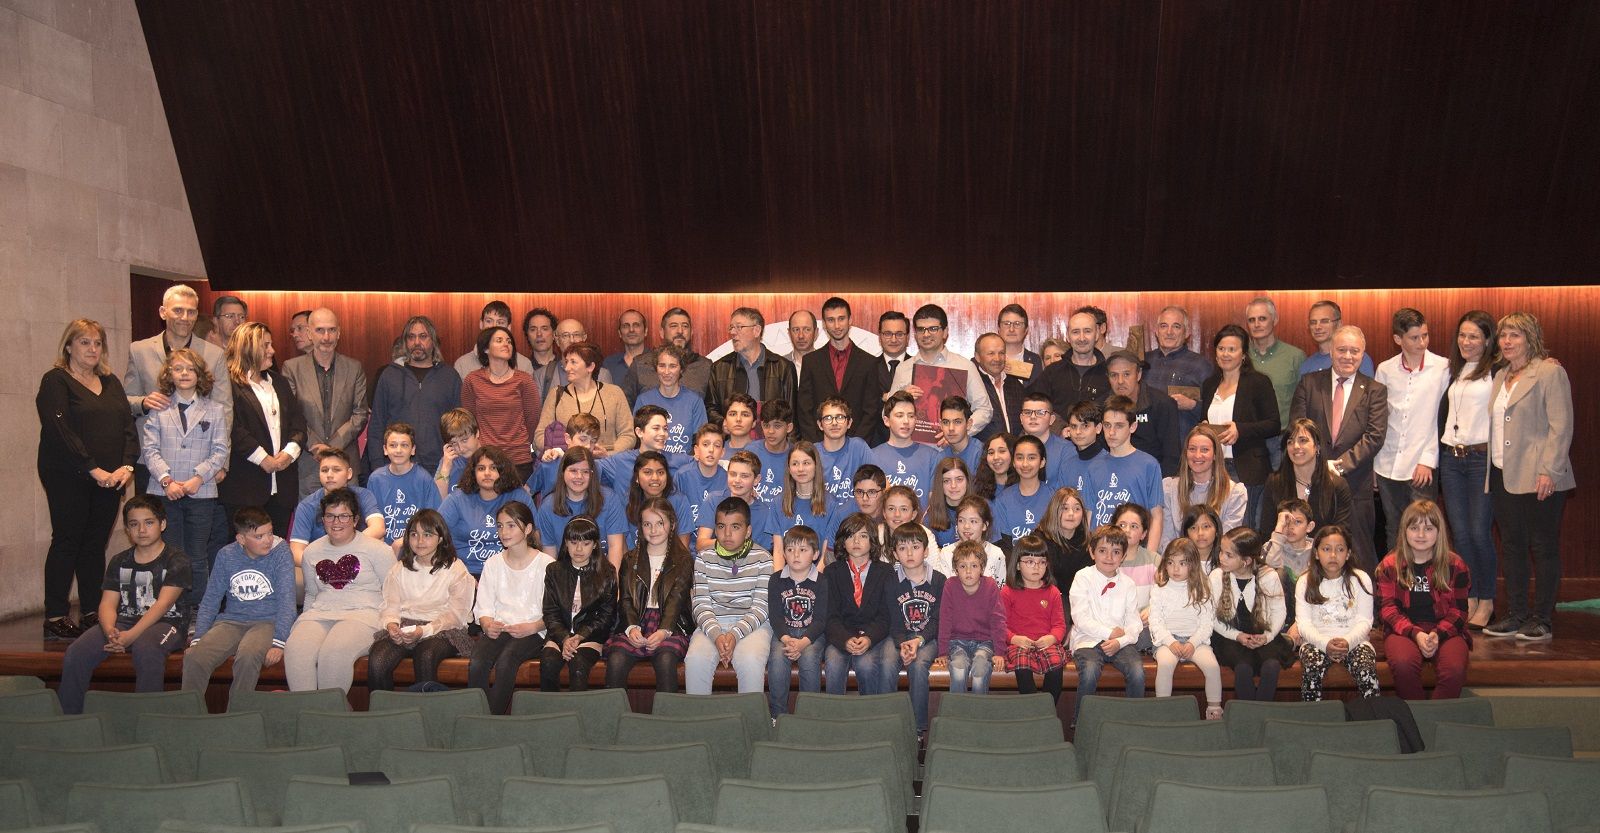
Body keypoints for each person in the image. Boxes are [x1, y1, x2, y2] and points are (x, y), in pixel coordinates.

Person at [36, 320, 139, 641]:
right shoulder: (56, 380)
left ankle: (92, 610)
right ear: (68, 346)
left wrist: (126, 466)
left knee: (95, 544)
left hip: (111, 478)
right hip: (68, 475)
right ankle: (55, 615)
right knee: (68, 540)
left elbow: (128, 427)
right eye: (84, 342)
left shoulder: (110, 381)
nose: (92, 349)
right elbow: (60, 430)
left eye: (97, 343)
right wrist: (93, 469)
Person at [1482, 312, 1573, 641]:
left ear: (1530, 338)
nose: (1507, 341)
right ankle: (1516, 614)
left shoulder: (1549, 372)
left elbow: (1561, 426)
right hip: (1503, 474)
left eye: (1515, 335)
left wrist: (1550, 470)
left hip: (1539, 476)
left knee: (1543, 546)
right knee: (1512, 547)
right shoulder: (1500, 375)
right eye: (1504, 335)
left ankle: (1542, 619)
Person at [56, 496, 190, 714]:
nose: (142, 530)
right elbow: (107, 604)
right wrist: (110, 631)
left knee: (147, 648)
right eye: (134, 524)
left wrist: (131, 636)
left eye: (149, 522)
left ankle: (147, 720)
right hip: (124, 622)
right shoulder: (119, 561)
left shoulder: (176, 559)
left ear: (162, 524)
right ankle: (70, 719)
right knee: (76, 652)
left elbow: (163, 605)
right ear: (127, 529)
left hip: (167, 624)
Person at [138, 347, 229, 617]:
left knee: (198, 555)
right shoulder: (159, 409)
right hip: (165, 492)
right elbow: (149, 449)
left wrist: (198, 477)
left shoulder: (215, 410)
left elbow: (220, 450)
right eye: (178, 369)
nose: (185, 373)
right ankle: (172, 608)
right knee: (171, 554)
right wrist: (167, 481)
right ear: (169, 374)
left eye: (190, 369)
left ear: (200, 374)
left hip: (201, 492)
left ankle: (199, 610)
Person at [1290, 325, 1389, 568]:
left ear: (1363, 354)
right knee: (1314, 553)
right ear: (1331, 351)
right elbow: (1298, 429)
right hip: (1313, 483)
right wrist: (1319, 465)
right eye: (1342, 350)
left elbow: (1374, 436)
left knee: (1359, 554)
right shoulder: (1309, 384)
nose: (1348, 356)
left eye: (1354, 351)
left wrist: (1340, 466)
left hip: (1355, 485)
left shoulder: (1375, 390)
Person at [284, 488, 398, 692]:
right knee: (295, 650)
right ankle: (304, 710)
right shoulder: (311, 552)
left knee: (333, 653)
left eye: (343, 516)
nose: (336, 522)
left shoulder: (378, 550)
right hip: (320, 613)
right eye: (330, 516)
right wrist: (304, 620)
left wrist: (392, 623)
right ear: (323, 520)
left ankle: (331, 710)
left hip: (363, 616)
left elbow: (394, 593)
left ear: (355, 520)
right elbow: (311, 594)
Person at [181, 506, 296, 701]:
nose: (268, 540)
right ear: (241, 539)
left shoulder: (281, 552)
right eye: (259, 536)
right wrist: (198, 637)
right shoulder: (226, 555)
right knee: (195, 657)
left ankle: (239, 712)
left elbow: (287, 601)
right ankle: (189, 713)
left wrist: (279, 642)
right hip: (231, 621)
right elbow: (211, 599)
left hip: (268, 621)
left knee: (248, 655)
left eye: (270, 533)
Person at [367, 509, 476, 692]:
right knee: (378, 659)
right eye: (414, 534)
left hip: (442, 629)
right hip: (405, 626)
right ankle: (383, 709)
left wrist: (424, 630)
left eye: (427, 535)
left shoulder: (455, 568)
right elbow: (390, 606)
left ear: (440, 538)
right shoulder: (399, 568)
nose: (419, 541)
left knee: (426, 655)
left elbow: (456, 615)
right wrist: (392, 625)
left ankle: (427, 710)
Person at [1439, 310, 1499, 629]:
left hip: (1480, 460)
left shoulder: (1498, 370)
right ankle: (1470, 596)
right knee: (1460, 535)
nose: (1466, 341)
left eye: (1474, 336)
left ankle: (1487, 599)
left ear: (1488, 340)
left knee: (1479, 532)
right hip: (1451, 459)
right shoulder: (1455, 370)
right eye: (1462, 335)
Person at [218, 322, 306, 538]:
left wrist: (289, 454)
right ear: (247, 348)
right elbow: (231, 426)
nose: (272, 350)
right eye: (265, 345)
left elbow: (298, 423)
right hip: (245, 486)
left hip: (283, 486)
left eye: (271, 344)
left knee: (277, 547)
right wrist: (262, 459)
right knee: (244, 550)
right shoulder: (228, 384)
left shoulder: (280, 382)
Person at [1379, 500, 1472, 699]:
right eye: (1414, 528)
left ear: (1439, 532)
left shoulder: (1456, 565)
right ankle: (1416, 714)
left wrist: (1438, 634)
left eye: (1428, 528)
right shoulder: (1389, 566)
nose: (1421, 535)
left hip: (1446, 631)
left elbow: (1459, 612)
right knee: (1403, 665)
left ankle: (1435, 714)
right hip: (1404, 630)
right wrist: (1416, 634)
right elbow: (1389, 610)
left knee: (1454, 669)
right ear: (1404, 531)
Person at [1373, 308, 1449, 551]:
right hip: (1387, 463)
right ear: (1398, 339)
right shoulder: (1385, 369)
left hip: (1421, 463)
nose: (1422, 342)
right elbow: (1380, 417)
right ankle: (1395, 575)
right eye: (1415, 338)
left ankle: (1424, 575)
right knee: (1394, 527)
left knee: (1422, 528)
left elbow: (1441, 419)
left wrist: (1428, 459)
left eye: (1425, 335)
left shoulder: (1443, 367)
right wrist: (1374, 462)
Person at [469, 502, 554, 712]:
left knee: (507, 661)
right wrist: (487, 624)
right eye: (500, 526)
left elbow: (554, 611)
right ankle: (477, 716)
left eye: (511, 525)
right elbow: (483, 606)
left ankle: (491, 721)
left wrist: (533, 627)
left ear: (527, 529)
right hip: (501, 628)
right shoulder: (493, 563)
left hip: (534, 631)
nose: (504, 532)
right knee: (477, 662)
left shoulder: (546, 564)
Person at [124, 284, 231, 449]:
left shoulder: (214, 355)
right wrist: (144, 402)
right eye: (178, 310)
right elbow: (126, 400)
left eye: (191, 312)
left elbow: (224, 410)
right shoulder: (139, 350)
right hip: (151, 451)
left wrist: (221, 457)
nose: (185, 318)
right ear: (163, 312)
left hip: (199, 454)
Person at [605, 497, 695, 692]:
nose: (653, 530)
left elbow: (677, 600)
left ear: (672, 525)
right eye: (647, 524)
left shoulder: (683, 560)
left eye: (660, 523)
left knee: (665, 659)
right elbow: (626, 599)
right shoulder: (630, 559)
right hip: (637, 620)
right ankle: (615, 711)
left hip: (671, 624)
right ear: (641, 527)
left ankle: (664, 712)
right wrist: (631, 628)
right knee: (616, 659)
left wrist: (663, 631)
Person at [686, 497, 774, 694]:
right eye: (721, 526)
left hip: (753, 626)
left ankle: (749, 714)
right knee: (695, 660)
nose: (727, 534)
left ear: (748, 531)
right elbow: (700, 605)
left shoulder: (763, 558)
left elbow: (761, 608)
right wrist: (717, 635)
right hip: (712, 624)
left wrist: (734, 634)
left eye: (735, 527)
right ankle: (695, 714)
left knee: (750, 660)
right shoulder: (704, 558)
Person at [1200, 324, 1280, 530]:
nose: (1225, 354)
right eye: (1221, 348)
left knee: (1242, 531)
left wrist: (1240, 429)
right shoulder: (1209, 384)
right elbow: (1204, 419)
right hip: (1214, 467)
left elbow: (1274, 424)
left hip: (1245, 467)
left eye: (1232, 349)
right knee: (1214, 526)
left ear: (1243, 354)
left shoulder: (1258, 382)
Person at [282, 308, 369, 498]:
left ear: (339, 333)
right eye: (320, 330)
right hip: (308, 464)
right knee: (311, 516)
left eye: (332, 330)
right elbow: (291, 416)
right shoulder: (292, 368)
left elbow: (360, 414)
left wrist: (332, 448)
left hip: (345, 464)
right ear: (309, 333)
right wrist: (315, 446)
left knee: (347, 514)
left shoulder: (354, 368)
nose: (326, 337)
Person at [369, 315, 462, 477]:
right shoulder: (390, 375)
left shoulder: (449, 377)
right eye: (411, 337)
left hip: (440, 466)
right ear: (405, 342)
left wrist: (457, 463)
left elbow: (459, 426)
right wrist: (377, 465)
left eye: (423, 336)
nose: (417, 342)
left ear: (433, 341)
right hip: (397, 465)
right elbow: (377, 424)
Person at [1296, 525, 1379, 701]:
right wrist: (1325, 643)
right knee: (1312, 666)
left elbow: (1365, 621)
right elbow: (1303, 624)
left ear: (1348, 554)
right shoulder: (1305, 581)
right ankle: (1312, 715)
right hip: (1316, 642)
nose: (1333, 555)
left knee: (1365, 667)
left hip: (1355, 641)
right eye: (1326, 549)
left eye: (1340, 550)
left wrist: (1347, 642)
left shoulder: (1360, 579)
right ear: (1316, 553)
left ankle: (1372, 714)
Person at [1210, 527, 1293, 702]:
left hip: (1262, 635)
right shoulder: (1217, 576)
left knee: (1271, 666)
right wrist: (1237, 635)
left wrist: (1267, 636)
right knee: (1243, 668)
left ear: (1246, 561)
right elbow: (1211, 617)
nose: (1221, 558)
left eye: (1228, 555)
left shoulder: (1268, 576)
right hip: (1230, 636)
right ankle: (1246, 712)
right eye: (1221, 552)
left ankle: (1262, 711)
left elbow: (1279, 611)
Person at [537, 515, 617, 691]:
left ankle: (577, 709)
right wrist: (565, 638)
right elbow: (550, 612)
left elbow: (606, 616)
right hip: (559, 634)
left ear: (595, 545)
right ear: (566, 543)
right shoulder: (554, 570)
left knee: (578, 664)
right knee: (548, 663)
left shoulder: (607, 572)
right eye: (573, 542)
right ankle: (548, 709)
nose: (579, 549)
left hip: (590, 636)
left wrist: (580, 635)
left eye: (586, 543)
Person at [889, 304, 994, 436]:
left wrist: (959, 432)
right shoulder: (903, 369)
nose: (926, 334)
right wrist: (901, 398)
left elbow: (984, 409)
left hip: (954, 446)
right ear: (915, 334)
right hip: (912, 446)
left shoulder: (964, 366)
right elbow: (885, 413)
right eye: (921, 329)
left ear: (945, 332)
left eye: (933, 329)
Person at [882, 522, 945, 734]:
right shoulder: (890, 581)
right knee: (887, 663)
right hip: (898, 635)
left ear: (925, 551)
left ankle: (918, 730)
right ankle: (886, 723)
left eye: (915, 547)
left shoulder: (939, 580)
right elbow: (893, 619)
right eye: (902, 548)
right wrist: (903, 643)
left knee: (918, 667)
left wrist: (918, 640)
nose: (909, 553)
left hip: (927, 637)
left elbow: (938, 620)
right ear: (894, 553)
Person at [1149, 538, 1220, 719]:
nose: (1175, 569)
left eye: (1182, 563)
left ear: (1193, 564)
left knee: (1212, 666)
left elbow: (1207, 623)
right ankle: (1162, 711)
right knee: (1165, 664)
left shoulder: (1202, 588)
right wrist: (1170, 642)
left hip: (1195, 641)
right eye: (1170, 563)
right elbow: (1155, 621)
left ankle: (1214, 710)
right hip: (1167, 641)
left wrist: (1192, 643)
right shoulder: (1159, 589)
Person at [823, 513, 894, 694]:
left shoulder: (886, 572)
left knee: (866, 665)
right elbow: (830, 616)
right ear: (842, 542)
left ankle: (869, 711)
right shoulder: (831, 572)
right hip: (841, 636)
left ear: (872, 541)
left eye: (863, 536)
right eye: (850, 536)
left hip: (872, 637)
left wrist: (869, 638)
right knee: (833, 664)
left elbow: (885, 616)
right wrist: (845, 639)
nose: (856, 541)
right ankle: (834, 712)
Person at [437, 446, 535, 575]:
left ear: (503, 470)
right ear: (473, 472)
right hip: (465, 573)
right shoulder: (457, 499)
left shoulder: (519, 496)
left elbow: (535, 535)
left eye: (493, 468)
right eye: (481, 468)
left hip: (511, 571)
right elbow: (435, 533)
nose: (487, 473)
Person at [799, 298, 884, 442]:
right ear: (824, 324)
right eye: (831, 320)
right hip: (820, 444)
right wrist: (816, 445)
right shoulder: (810, 361)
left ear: (850, 320)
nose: (837, 325)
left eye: (841, 319)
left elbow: (871, 410)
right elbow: (804, 409)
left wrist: (856, 444)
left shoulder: (868, 362)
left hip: (856, 444)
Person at [462, 326, 542, 477]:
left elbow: (533, 419)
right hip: (485, 458)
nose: (506, 344)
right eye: (499, 340)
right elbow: (469, 420)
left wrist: (520, 443)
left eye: (509, 341)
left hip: (518, 459)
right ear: (486, 349)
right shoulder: (472, 380)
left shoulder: (524, 380)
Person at [766, 524, 828, 716]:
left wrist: (803, 642)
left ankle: (809, 715)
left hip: (812, 635)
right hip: (784, 634)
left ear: (815, 554)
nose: (796, 555)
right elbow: (775, 617)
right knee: (777, 658)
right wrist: (786, 639)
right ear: (783, 553)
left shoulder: (822, 581)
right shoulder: (776, 580)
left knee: (809, 658)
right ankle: (778, 715)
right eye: (790, 549)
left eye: (803, 550)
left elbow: (821, 620)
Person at [1260, 418, 1353, 540]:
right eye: (1290, 442)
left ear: (1317, 446)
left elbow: (1341, 535)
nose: (1296, 446)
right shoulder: (1275, 482)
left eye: (1303, 440)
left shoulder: (1337, 485)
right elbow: (1266, 532)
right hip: (1282, 550)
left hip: (1323, 550)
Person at [536, 341, 633, 457]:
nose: (567, 368)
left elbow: (628, 435)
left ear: (590, 366)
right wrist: (560, 451)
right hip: (568, 463)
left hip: (607, 463)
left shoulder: (614, 393)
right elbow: (540, 435)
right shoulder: (556, 395)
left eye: (573, 362)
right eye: (566, 362)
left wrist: (609, 454)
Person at [535, 445, 627, 568]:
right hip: (567, 573)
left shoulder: (609, 499)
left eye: (585, 472)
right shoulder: (548, 507)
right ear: (562, 472)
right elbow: (550, 555)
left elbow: (615, 547)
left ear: (592, 474)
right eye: (573, 471)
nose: (579, 476)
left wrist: (612, 580)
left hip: (603, 571)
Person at [706, 307, 799, 427]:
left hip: (771, 437)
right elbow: (710, 408)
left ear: (756, 330)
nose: (733, 332)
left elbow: (791, 414)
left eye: (739, 327)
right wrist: (724, 423)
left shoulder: (783, 367)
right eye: (731, 327)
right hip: (733, 437)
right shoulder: (719, 368)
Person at [1005, 535, 1071, 703]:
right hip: (1019, 644)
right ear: (1018, 565)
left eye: (1042, 562)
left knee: (1056, 665)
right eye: (1030, 562)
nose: (1036, 567)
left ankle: (1048, 709)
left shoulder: (1053, 591)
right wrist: (1014, 638)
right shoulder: (1007, 592)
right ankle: (1033, 710)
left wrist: (1052, 638)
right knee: (1022, 665)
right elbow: (1000, 626)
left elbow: (1059, 625)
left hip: (1046, 643)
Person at [1086, 395, 1164, 538]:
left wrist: (1150, 551)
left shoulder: (1149, 465)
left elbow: (1157, 517)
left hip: (1133, 546)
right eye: (1107, 425)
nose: (1111, 432)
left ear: (1133, 426)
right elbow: (1089, 515)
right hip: (1100, 546)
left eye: (1119, 426)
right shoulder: (1094, 466)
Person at [1159, 424, 1247, 549]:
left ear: (1215, 454)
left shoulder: (1234, 493)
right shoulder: (1169, 488)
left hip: (1217, 559)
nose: (1197, 455)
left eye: (1205, 450)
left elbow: (1226, 544)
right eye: (1192, 449)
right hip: (1178, 558)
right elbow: (1166, 540)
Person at [937, 541, 1008, 694]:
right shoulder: (950, 585)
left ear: (982, 568)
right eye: (963, 566)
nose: (968, 571)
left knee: (980, 670)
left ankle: (977, 708)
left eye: (974, 566)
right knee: (958, 669)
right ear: (956, 569)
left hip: (985, 642)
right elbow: (945, 620)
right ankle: (958, 709)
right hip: (957, 642)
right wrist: (942, 652)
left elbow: (998, 622)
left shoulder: (990, 586)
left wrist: (1000, 653)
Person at [1244, 297, 1307, 468]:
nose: (1257, 324)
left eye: (1262, 318)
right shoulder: (1241, 356)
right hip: (1248, 441)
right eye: (1251, 320)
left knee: (1282, 486)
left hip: (1282, 441)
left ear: (1275, 319)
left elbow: (1303, 402)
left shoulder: (1295, 357)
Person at [1106, 350, 1181, 477]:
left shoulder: (1162, 404)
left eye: (1126, 374)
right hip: (1112, 476)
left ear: (1139, 374)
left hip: (1153, 476)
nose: (1120, 381)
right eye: (1114, 375)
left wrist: (1154, 482)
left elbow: (1171, 457)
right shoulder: (1102, 406)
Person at [367, 423, 442, 549]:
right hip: (383, 548)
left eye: (404, 445)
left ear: (413, 450)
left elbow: (433, 522)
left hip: (416, 548)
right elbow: (371, 520)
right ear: (385, 449)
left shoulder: (424, 479)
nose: (398, 450)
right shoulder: (376, 479)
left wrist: (405, 542)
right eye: (393, 445)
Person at [765, 442, 841, 562]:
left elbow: (826, 555)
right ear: (789, 469)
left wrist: (816, 575)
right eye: (795, 464)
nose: (800, 469)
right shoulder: (778, 502)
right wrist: (779, 574)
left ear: (816, 466)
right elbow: (778, 552)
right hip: (787, 572)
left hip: (818, 571)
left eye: (806, 463)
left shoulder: (831, 504)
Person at [1145, 305, 1212, 434]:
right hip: (1147, 441)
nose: (1169, 332)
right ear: (1156, 331)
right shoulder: (1143, 362)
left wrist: (1192, 405)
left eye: (1176, 326)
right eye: (1163, 326)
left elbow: (1214, 409)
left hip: (1182, 442)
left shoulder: (1201, 365)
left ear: (1186, 333)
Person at [622, 307, 713, 400]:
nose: (680, 331)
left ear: (692, 332)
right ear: (662, 332)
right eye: (673, 326)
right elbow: (625, 404)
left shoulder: (705, 366)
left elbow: (711, 406)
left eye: (685, 326)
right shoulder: (640, 364)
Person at [634, 345, 707, 458]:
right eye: (662, 365)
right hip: (652, 462)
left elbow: (700, 440)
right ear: (656, 368)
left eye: (672, 366)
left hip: (684, 465)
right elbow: (639, 440)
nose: (666, 372)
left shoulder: (695, 401)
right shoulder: (643, 400)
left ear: (681, 369)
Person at [1032, 310, 1108, 418]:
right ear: (1068, 336)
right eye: (1075, 332)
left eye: (1087, 331)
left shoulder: (1108, 373)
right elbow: (1039, 409)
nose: (1082, 338)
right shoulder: (1051, 372)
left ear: (1096, 334)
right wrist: (1061, 426)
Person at [870, 391, 942, 501]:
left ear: (916, 420)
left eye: (911, 416)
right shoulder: (872, 457)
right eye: (899, 415)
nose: (906, 421)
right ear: (886, 420)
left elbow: (934, 502)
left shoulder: (932, 457)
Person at [619, 450, 696, 551]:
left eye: (660, 472)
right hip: (636, 558)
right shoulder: (627, 502)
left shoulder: (679, 501)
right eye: (648, 472)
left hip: (673, 558)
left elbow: (683, 547)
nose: (655, 478)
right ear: (637, 477)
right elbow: (622, 545)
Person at [696, 450, 766, 552]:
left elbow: (763, 552)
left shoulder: (764, 513)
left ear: (756, 479)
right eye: (733, 474)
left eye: (744, 476)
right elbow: (701, 545)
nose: (737, 480)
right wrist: (730, 542)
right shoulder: (713, 500)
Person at [933, 495, 1008, 585]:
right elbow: (945, 588)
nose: (966, 526)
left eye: (973, 521)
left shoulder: (996, 554)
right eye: (961, 520)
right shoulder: (947, 553)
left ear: (984, 525)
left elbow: (1000, 589)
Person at [992, 434, 1052, 543]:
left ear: (1042, 462)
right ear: (1014, 462)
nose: (1025, 464)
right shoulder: (1003, 500)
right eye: (1019, 458)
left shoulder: (1054, 497)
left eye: (1031, 458)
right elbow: (1004, 545)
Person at [814, 399, 872, 508]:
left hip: (855, 517)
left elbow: (880, 483)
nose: (834, 423)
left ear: (849, 423)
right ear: (820, 424)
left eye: (840, 417)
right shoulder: (812, 452)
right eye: (828, 418)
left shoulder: (859, 447)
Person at [453, 302, 535, 379]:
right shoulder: (462, 364)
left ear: (509, 327)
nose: (494, 326)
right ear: (481, 324)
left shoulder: (523, 364)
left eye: (500, 322)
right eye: (489, 321)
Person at [1299, 300, 1375, 378]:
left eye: (1324, 321)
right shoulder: (1307, 365)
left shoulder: (1355, 359)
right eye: (1313, 322)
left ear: (1339, 324)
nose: (1317, 327)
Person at [1037, 487, 1091, 595]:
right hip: (1046, 598)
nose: (1071, 513)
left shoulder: (1088, 542)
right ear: (1054, 510)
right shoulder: (1039, 541)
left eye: (1077, 509)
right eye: (1065, 508)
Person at [973, 332, 1025, 440]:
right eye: (991, 353)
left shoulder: (1016, 385)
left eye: (1001, 353)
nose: (997, 358)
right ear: (977, 357)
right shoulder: (971, 384)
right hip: (982, 449)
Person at [676, 424, 729, 529]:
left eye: (717, 445)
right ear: (696, 450)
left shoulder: (728, 479)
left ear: (722, 452)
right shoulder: (682, 476)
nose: (711, 450)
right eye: (705, 444)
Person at [1054, 400, 1107, 496]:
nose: (1078, 432)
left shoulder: (1108, 463)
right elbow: (1060, 500)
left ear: (1098, 428)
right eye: (1074, 426)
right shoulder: (1066, 465)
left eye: (1085, 426)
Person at [549, 320, 617, 391]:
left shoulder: (602, 375)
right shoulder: (545, 374)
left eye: (576, 335)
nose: (572, 340)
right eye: (565, 335)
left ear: (584, 338)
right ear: (557, 341)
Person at [1262, 498, 1316, 581]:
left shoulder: (1317, 550)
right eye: (1286, 521)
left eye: (1297, 522)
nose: (1290, 527)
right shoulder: (1271, 547)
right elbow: (1268, 574)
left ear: (1309, 526)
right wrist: (1279, 531)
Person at [925, 457, 972, 549]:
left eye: (959, 479)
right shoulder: (930, 516)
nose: (953, 486)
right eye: (946, 481)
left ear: (967, 481)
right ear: (940, 484)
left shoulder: (981, 510)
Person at [604, 308, 650, 398]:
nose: (631, 330)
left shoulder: (658, 361)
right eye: (626, 326)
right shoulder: (608, 364)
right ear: (619, 333)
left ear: (645, 331)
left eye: (636, 325)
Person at [883, 485, 938, 558]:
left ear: (913, 514)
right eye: (891, 509)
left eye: (904, 509)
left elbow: (933, 565)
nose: (897, 514)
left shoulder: (925, 534)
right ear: (884, 513)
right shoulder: (875, 535)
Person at [996, 304, 1044, 382]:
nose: (1011, 329)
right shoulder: (987, 359)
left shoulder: (1036, 361)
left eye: (1017, 324)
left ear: (1026, 330)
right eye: (1006, 323)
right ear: (999, 328)